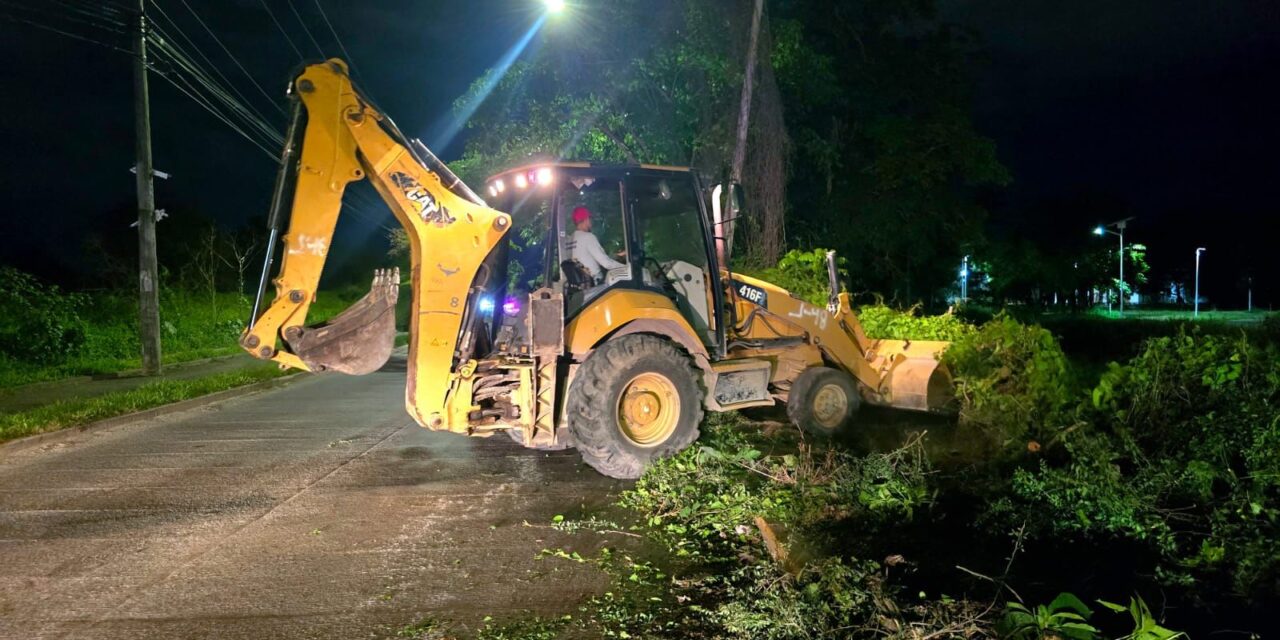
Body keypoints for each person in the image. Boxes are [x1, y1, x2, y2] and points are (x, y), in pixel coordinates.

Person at [569, 206, 624, 281]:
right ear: (586, 219)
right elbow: (606, 263)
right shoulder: (588, 237)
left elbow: (586, 257)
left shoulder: (570, 240)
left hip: (579, 283)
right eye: (590, 219)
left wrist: (616, 256)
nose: (591, 222)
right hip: (595, 281)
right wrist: (626, 268)